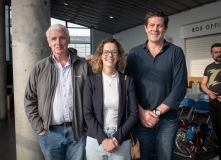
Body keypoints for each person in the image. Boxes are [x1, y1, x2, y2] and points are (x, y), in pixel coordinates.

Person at [125, 10, 187, 160]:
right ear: (145, 27)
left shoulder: (176, 53)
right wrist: (141, 112)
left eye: (160, 26)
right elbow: (127, 87)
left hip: (167, 120)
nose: (155, 29)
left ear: (165, 29)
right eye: (152, 25)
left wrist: (156, 113)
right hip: (141, 120)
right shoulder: (134, 54)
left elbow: (179, 88)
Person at [24, 24, 92, 160]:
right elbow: (29, 99)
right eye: (54, 39)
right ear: (49, 42)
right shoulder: (40, 67)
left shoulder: (84, 66)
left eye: (62, 38)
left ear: (68, 40)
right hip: (50, 133)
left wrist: (86, 124)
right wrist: (40, 128)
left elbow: (92, 97)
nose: (58, 42)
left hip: (77, 132)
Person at [83, 38, 139, 160]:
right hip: (95, 139)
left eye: (114, 52)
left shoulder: (127, 81)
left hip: (121, 138)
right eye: (106, 52)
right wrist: (103, 139)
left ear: (119, 56)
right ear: (100, 55)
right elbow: (88, 114)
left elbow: (134, 114)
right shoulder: (91, 81)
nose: (110, 55)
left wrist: (116, 138)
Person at [201, 43, 221, 160]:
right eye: (216, 52)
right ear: (211, 54)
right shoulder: (208, 67)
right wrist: (209, 92)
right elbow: (203, 84)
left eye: (220, 52)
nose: (219, 54)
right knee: (217, 128)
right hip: (213, 103)